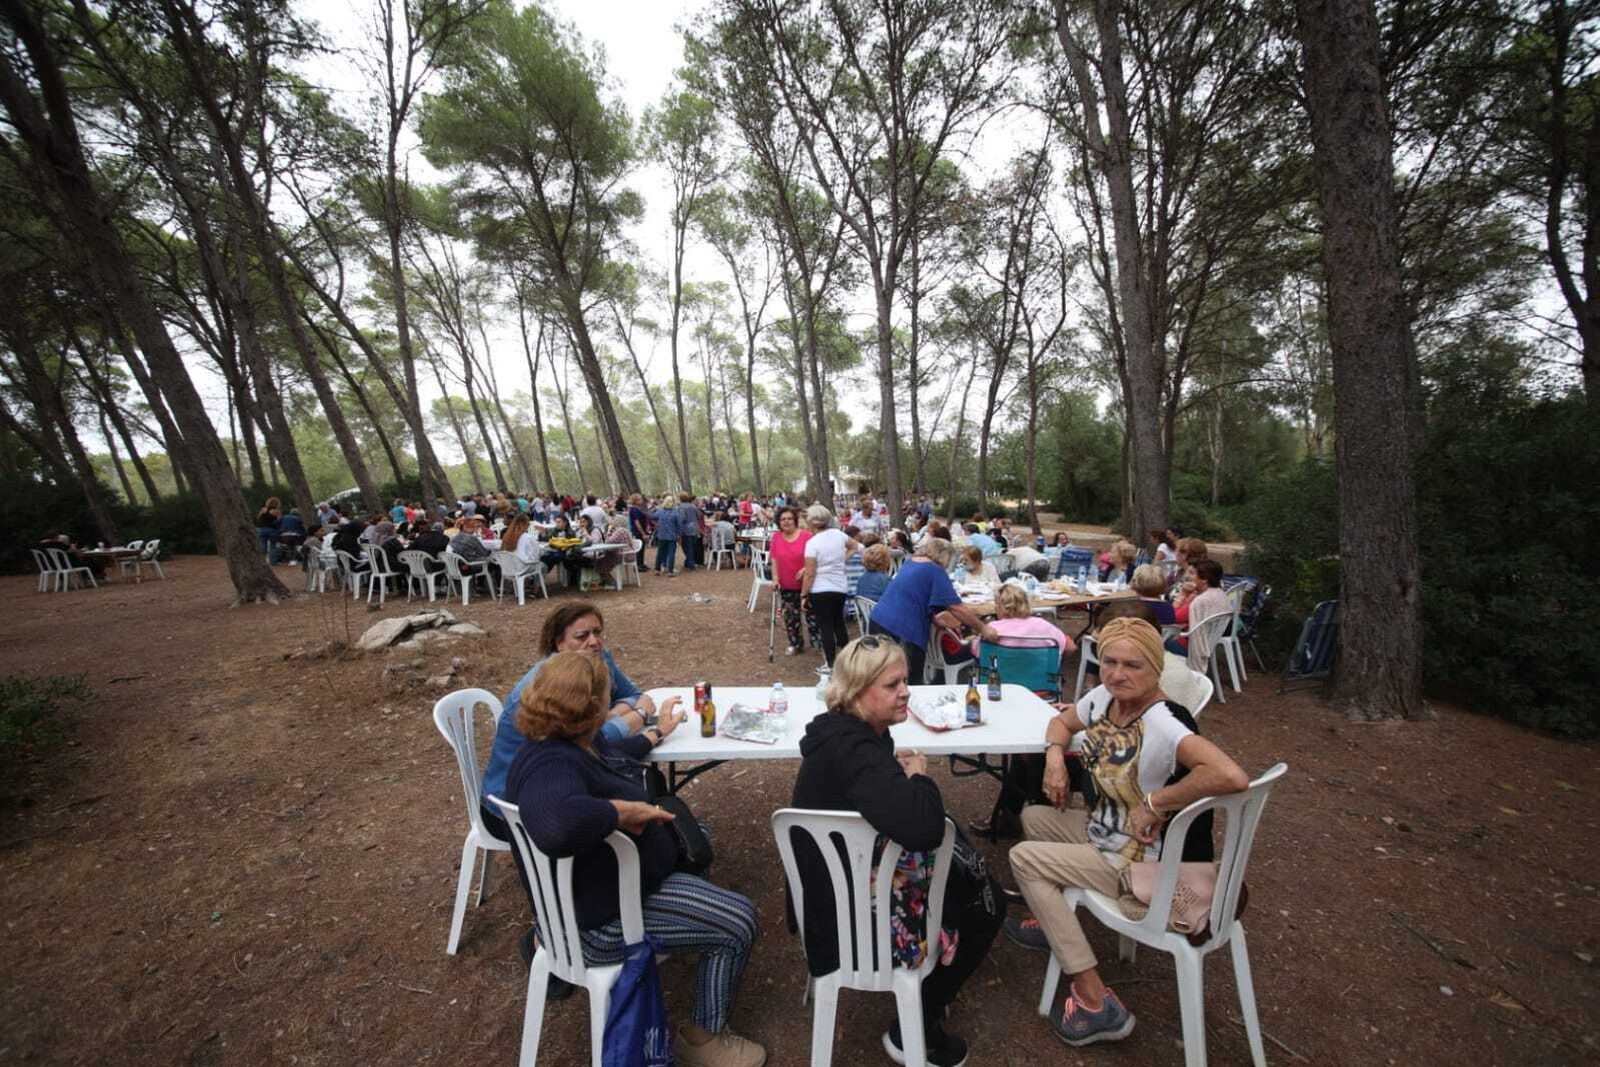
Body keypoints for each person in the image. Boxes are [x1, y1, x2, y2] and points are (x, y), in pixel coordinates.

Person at [507, 652, 766, 1067]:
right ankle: (703, 1040)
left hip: (595, 892)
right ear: (593, 705)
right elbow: (555, 822)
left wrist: (657, 732)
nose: (613, 702)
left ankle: (696, 934)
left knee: (700, 839)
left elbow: (616, 749)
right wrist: (622, 812)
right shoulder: (551, 765)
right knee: (739, 920)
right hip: (603, 920)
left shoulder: (571, 744)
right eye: (607, 695)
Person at [1004, 618, 1248, 1047]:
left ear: (1156, 669)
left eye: (1133, 665)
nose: (1118, 674)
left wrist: (1155, 803)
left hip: (1142, 860)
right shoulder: (1105, 699)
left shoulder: (1166, 721)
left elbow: (1231, 775)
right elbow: (1061, 724)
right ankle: (1054, 916)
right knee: (1033, 818)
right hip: (1107, 833)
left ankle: (1096, 1000)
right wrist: (1056, 758)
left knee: (1022, 857)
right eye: (1110, 662)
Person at [790, 637, 1005, 1066]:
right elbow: (924, 829)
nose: (906, 690)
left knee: (965, 869)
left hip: (828, 890)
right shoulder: (858, 751)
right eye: (892, 684)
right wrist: (919, 776)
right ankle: (917, 1023)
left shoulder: (839, 732)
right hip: (847, 913)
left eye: (905, 679)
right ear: (855, 692)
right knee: (987, 903)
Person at [866, 538, 998, 684]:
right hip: (903, 629)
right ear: (944, 555)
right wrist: (983, 628)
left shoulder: (911, 562)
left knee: (882, 676)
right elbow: (956, 607)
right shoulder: (934, 570)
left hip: (879, 619)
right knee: (907, 680)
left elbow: (918, 595)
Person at [798, 504, 855, 666]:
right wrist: (841, 560)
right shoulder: (838, 534)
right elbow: (855, 546)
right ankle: (848, 660)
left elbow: (810, 573)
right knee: (839, 623)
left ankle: (831, 663)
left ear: (812, 522)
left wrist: (803, 594)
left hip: (820, 588)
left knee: (826, 627)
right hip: (840, 586)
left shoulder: (812, 543)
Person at [971, 583, 1074, 664]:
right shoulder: (1043, 625)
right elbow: (1070, 648)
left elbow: (978, 653)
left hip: (999, 686)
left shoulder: (992, 629)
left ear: (999, 608)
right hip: (1039, 686)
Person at [769, 506, 821, 655]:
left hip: (807, 583)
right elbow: (774, 559)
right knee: (791, 616)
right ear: (778, 522)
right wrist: (775, 578)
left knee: (812, 614)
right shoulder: (776, 538)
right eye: (783, 519)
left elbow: (816, 557)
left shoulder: (806, 536)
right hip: (786, 583)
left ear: (795, 520)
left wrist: (805, 568)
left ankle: (817, 641)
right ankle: (795, 643)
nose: (786, 521)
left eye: (790, 518)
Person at [1169, 559, 1230, 671]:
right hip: (1208, 644)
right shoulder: (1220, 594)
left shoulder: (1201, 601)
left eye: (1192, 573)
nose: (1188, 577)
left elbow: (1172, 618)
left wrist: (1184, 595)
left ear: (1204, 580)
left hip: (1190, 647)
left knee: (1154, 643)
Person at [653, 495, 681, 575]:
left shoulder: (660, 511)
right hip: (672, 535)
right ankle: (670, 571)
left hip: (661, 535)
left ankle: (657, 569)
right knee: (671, 553)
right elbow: (679, 524)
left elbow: (652, 516)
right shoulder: (675, 512)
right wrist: (679, 534)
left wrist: (656, 523)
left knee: (660, 552)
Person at [677, 493, 703, 572]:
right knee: (693, 546)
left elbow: (682, 519)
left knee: (687, 547)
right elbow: (699, 516)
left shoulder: (681, 507)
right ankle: (688, 563)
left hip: (686, 529)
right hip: (695, 528)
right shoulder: (693, 506)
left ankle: (691, 565)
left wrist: (679, 531)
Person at [255, 497, 282, 565]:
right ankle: (273, 562)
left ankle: (261, 562)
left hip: (262, 529)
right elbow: (279, 521)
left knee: (262, 546)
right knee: (273, 546)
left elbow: (258, 518)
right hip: (272, 530)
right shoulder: (277, 511)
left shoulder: (263, 510)